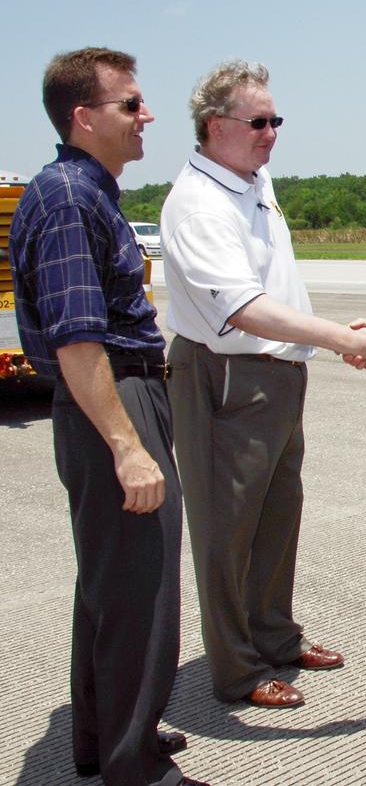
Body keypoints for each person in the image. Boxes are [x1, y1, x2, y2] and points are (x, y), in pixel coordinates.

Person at [160, 60, 366, 708]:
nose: (271, 133)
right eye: (257, 121)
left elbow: (271, 281)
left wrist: (319, 331)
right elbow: (239, 306)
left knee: (275, 517)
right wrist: (337, 337)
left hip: (279, 374)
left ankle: (274, 633)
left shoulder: (251, 180)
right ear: (215, 126)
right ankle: (235, 669)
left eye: (275, 120)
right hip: (229, 375)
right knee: (227, 527)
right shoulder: (199, 201)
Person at [10, 47, 207, 786]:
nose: (146, 114)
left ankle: (101, 737)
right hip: (111, 398)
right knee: (139, 590)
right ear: (84, 117)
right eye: (131, 104)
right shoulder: (68, 197)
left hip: (117, 394)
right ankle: (136, 766)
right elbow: (76, 338)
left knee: (110, 583)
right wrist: (128, 446)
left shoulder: (87, 192)